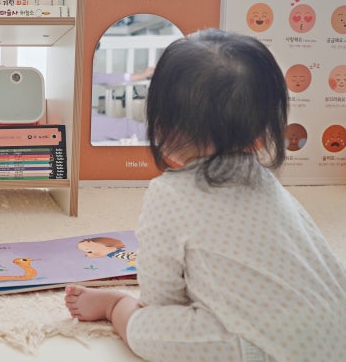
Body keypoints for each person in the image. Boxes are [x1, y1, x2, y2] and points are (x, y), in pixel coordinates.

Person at [66, 29, 346, 361]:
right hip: (337, 329)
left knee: (144, 326)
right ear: (261, 133)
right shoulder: (266, 183)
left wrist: (138, 310)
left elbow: (160, 296)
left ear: (162, 127)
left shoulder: (170, 194)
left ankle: (113, 305)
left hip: (265, 347)